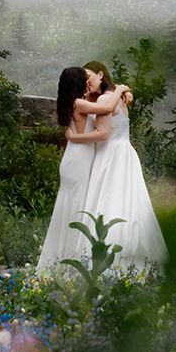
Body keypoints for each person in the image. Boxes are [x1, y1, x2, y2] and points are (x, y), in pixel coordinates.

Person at [36, 66, 130, 270]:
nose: (87, 81)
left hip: (75, 157)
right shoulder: (79, 103)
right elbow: (106, 109)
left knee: (70, 208)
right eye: (84, 78)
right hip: (79, 160)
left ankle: (61, 259)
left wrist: (125, 91)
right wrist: (119, 89)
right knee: (76, 210)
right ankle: (65, 261)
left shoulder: (73, 102)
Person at [79, 60, 167, 267]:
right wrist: (123, 89)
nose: (86, 82)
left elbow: (101, 132)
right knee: (129, 205)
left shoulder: (105, 99)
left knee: (108, 203)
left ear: (100, 74)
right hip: (126, 153)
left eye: (88, 77)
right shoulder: (116, 97)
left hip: (109, 155)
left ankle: (106, 259)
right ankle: (135, 257)